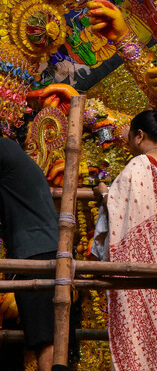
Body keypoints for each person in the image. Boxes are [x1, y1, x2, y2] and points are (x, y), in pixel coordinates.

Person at [93, 108, 157, 371]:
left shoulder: (142, 164)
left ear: (139, 135)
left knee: (147, 330)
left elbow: (124, 211)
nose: (128, 144)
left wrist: (104, 196)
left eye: (129, 137)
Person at [0, 134, 59, 371]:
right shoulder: (8, 150)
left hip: (38, 254)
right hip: (39, 250)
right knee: (44, 339)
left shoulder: (2, 150)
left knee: (46, 341)